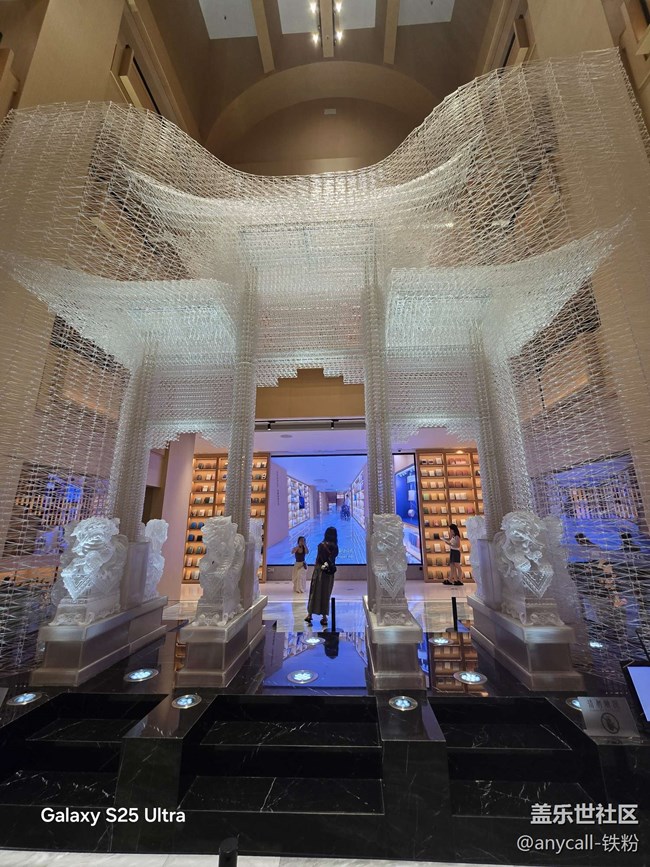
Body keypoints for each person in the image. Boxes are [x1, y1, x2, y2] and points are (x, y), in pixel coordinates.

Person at [305, 526, 338, 626]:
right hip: (329, 573)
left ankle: (310, 614)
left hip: (319, 571)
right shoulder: (335, 547)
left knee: (314, 592)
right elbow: (332, 559)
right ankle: (324, 617)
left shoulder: (321, 545)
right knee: (326, 593)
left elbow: (318, 559)